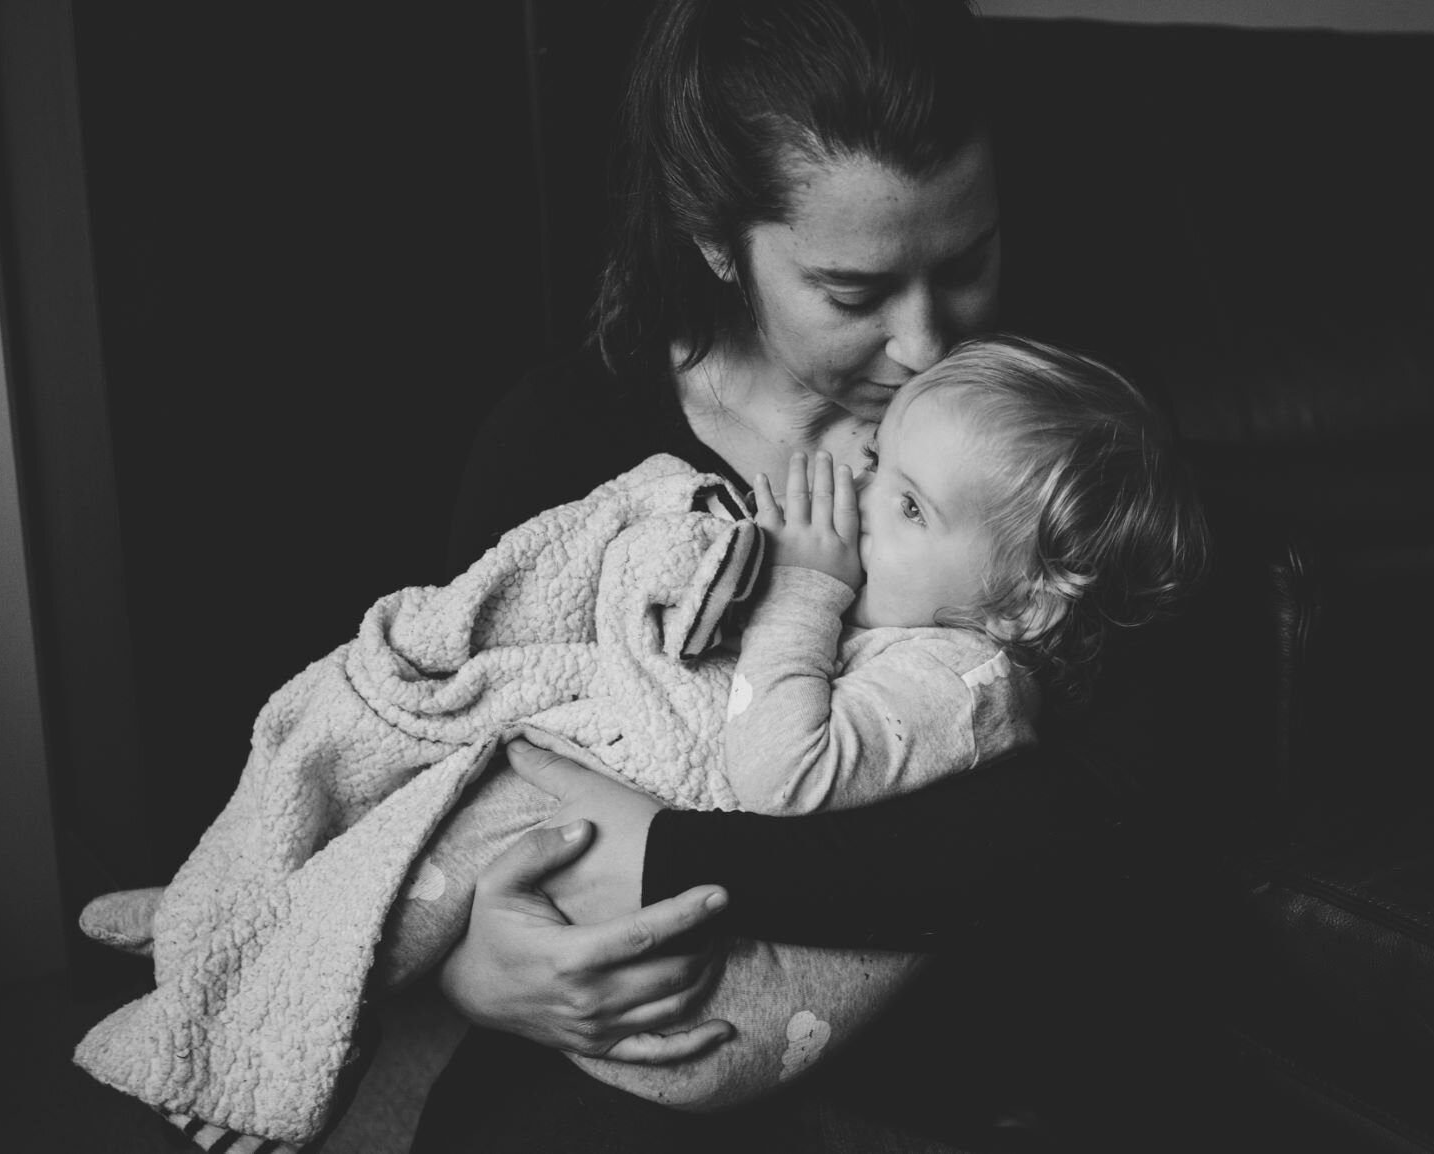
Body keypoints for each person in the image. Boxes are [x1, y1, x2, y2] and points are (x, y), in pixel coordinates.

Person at [417, 1, 1222, 1150]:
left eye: (969, 259)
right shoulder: (563, 441)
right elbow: (451, 736)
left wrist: (667, 856)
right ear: (716, 242)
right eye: (853, 292)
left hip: (939, 1061)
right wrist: (470, 963)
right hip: (632, 1051)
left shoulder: (1056, 432)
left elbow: (1099, 819)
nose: (927, 343)